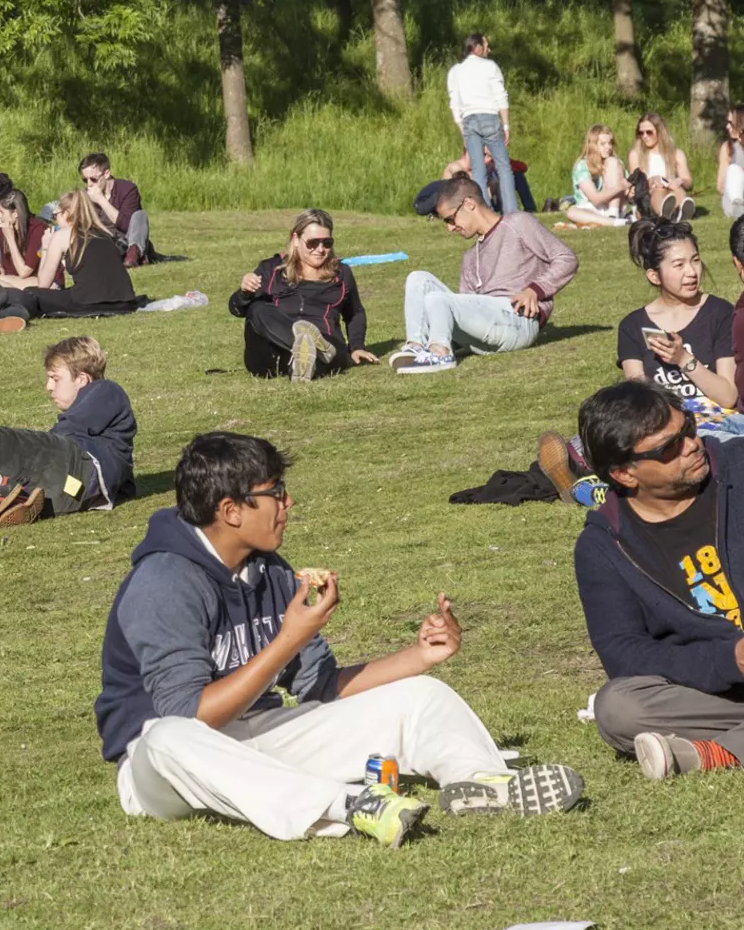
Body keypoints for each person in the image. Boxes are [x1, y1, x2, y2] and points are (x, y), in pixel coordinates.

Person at [96, 431, 585, 845]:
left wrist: (418, 656)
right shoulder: (164, 581)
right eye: (276, 491)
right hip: (167, 769)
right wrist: (288, 639)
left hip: (258, 739)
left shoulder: (269, 571)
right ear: (231, 510)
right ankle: (349, 804)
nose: (289, 503)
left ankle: (483, 784)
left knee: (419, 696)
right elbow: (191, 716)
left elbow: (321, 687)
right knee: (165, 736)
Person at [573, 379, 744, 778]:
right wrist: (729, 660)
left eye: (688, 428)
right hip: (722, 689)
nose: (691, 445)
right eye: (669, 448)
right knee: (619, 707)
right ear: (625, 473)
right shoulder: (603, 546)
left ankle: (711, 755)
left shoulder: (737, 469)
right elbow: (625, 653)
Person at [0, 334, 136, 528]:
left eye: (55, 378)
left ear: (82, 379)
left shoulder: (105, 389)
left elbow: (64, 434)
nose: (48, 386)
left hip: (75, 465)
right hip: (66, 494)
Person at [391, 176, 579, 372]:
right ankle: (416, 347)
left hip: (519, 319)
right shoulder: (470, 257)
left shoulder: (517, 223)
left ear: (470, 204)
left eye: (450, 219)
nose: (449, 228)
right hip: (489, 328)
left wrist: (534, 291)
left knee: (438, 299)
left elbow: (566, 258)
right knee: (418, 279)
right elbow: (467, 305)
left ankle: (440, 354)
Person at [615, 219, 738, 430]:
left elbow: (728, 397)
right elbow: (639, 405)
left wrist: (682, 358)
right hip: (663, 427)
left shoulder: (720, 313)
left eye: (695, 260)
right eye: (679, 265)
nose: (692, 272)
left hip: (718, 424)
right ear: (654, 276)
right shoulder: (632, 326)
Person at [229, 209, 376, 381]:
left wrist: (356, 347)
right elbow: (237, 309)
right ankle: (308, 346)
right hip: (271, 351)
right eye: (312, 243)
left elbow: (355, 313)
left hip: (326, 341)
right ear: (296, 239)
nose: (320, 249)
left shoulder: (341, 273)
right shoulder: (271, 269)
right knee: (257, 308)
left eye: (327, 243)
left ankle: (309, 354)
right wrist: (244, 292)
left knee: (332, 353)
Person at [28, 190, 141, 318]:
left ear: (67, 213)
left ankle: (12, 314)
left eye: (56, 215)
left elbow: (43, 284)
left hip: (89, 301)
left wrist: (46, 246)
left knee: (30, 294)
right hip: (124, 301)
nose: (55, 220)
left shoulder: (61, 236)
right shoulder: (104, 234)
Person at [446, 32, 516, 217]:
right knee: (503, 166)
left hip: (469, 120)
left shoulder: (455, 71)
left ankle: (486, 213)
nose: (489, 49)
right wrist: (506, 126)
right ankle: (510, 212)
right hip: (489, 118)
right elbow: (501, 96)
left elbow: (455, 104)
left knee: (478, 171)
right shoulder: (490, 66)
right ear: (477, 47)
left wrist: (463, 130)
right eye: (486, 46)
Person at [79, 153, 155, 267]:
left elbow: (127, 225)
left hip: (128, 239)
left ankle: (134, 255)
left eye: (93, 179)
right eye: (85, 180)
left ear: (106, 174)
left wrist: (101, 200)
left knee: (140, 216)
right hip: (105, 242)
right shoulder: (85, 196)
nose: (89, 184)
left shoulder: (127, 189)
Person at [629, 111, 696, 222]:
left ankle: (680, 211)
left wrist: (679, 181)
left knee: (677, 189)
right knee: (658, 190)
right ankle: (666, 214)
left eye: (649, 132)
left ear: (660, 132)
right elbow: (635, 186)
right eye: (641, 133)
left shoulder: (676, 153)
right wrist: (651, 181)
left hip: (671, 192)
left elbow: (688, 181)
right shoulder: (636, 154)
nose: (645, 136)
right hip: (648, 196)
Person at [567, 124, 632, 228]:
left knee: (612, 161)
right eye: (603, 144)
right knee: (571, 212)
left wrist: (630, 192)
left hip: (614, 207)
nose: (608, 147)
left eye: (610, 143)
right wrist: (620, 187)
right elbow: (595, 199)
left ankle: (613, 214)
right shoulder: (582, 166)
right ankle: (615, 222)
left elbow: (628, 191)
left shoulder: (616, 163)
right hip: (591, 208)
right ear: (592, 145)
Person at [0, 189, 48, 281]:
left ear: (15, 213)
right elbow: (8, 269)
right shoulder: (3, 230)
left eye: (2, 212)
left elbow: (24, 272)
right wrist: (0, 270)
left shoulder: (37, 230)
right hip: (14, 280)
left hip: (36, 280)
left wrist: (10, 238)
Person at [721, 107, 744, 220]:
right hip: (733, 200)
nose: (727, 127)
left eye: (731, 123)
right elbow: (720, 185)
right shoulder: (727, 147)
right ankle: (738, 206)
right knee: (734, 169)